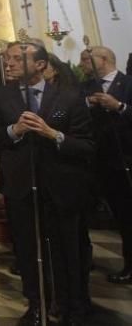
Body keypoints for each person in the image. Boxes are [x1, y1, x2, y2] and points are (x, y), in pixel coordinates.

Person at [0, 42, 94, 325]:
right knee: (27, 249)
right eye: (6, 59)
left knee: (68, 249)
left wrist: (53, 134)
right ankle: (37, 303)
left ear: (39, 65)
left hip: (61, 187)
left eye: (16, 59)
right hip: (21, 186)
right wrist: (14, 130)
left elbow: (87, 145)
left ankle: (74, 304)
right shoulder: (1, 96)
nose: (8, 64)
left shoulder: (69, 97)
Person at [80, 45, 132, 284]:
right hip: (96, 161)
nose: (82, 64)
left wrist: (119, 107)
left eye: (86, 59)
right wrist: (87, 104)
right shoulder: (86, 88)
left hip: (124, 158)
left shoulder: (128, 83)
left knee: (127, 215)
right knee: (101, 213)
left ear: (103, 59)